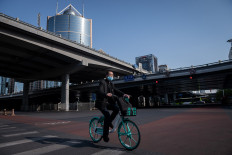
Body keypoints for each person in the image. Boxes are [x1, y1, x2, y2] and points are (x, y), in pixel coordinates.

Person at [95, 71, 130, 142]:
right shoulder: (102, 82)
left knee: (116, 109)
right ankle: (105, 136)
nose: (111, 76)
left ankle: (108, 122)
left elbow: (116, 90)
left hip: (108, 103)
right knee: (107, 115)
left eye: (112, 75)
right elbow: (99, 91)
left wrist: (123, 94)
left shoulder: (111, 83)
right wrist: (106, 94)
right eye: (110, 75)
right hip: (101, 103)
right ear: (106, 75)